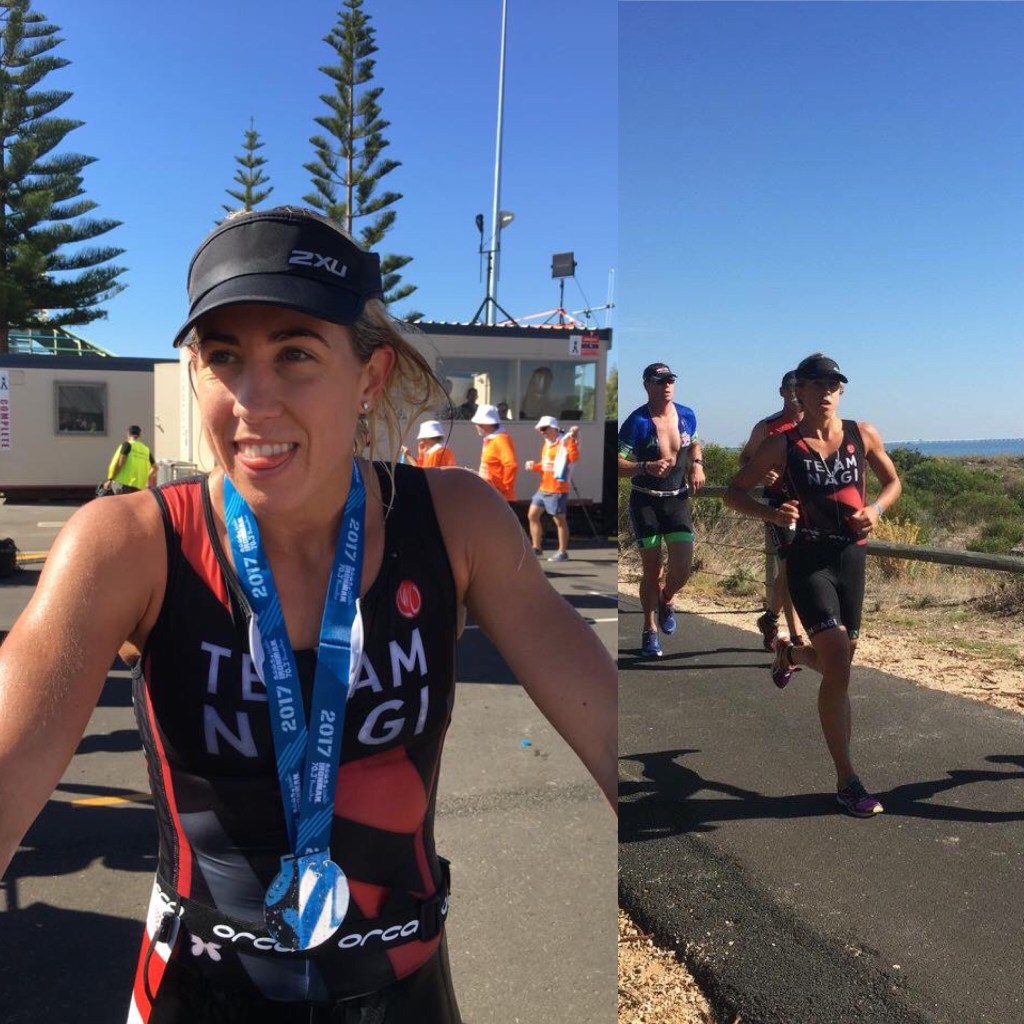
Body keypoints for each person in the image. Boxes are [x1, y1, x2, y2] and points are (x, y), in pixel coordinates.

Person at [0, 207, 615, 1022]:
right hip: (195, 993)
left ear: (369, 376)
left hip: (404, 991)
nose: (254, 402)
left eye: (296, 354)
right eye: (225, 357)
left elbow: (610, 723)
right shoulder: (129, 546)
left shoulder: (455, 522)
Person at [724, 353, 901, 818]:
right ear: (798, 390)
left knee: (839, 662)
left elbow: (893, 482)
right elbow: (734, 493)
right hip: (809, 559)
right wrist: (772, 512)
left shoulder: (863, 434)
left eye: (834, 384)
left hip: (852, 558)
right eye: (817, 383)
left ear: (841, 391)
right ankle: (847, 780)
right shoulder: (783, 443)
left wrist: (876, 510)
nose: (826, 392)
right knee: (838, 662)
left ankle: (790, 654)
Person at [617, 362, 705, 658]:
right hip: (646, 502)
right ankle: (649, 629)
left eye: (670, 381)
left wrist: (697, 464)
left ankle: (667, 597)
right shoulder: (637, 421)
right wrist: (645, 466)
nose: (667, 386)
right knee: (651, 569)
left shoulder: (687, 415)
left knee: (682, 569)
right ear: (647, 385)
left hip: (677, 500)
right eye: (660, 381)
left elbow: (694, 443)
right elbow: (615, 463)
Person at [739, 370, 806, 650]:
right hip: (778, 505)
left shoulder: (816, 425)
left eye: (800, 386)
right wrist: (762, 472)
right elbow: (745, 459)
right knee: (791, 567)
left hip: (810, 505)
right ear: (781, 392)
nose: (795, 392)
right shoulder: (768, 427)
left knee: (794, 569)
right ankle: (796, 639)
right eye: (790, 387)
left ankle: (770, 618)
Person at [525, 415, 579, 562]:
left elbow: (574, 457)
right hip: (543, 488)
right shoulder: (547, 444)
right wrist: (534, 467)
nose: (541, 432)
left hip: (557, 489)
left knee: (559, 520)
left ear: (553, 428)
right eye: (540, 429)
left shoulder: (564, 442)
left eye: (544, 429)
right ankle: (536, 547)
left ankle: (562, 552)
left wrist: (573, 438)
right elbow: (546, 466)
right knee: (532, 515)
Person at [470, 403, 518, 500]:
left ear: (487, 424)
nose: (476, 426)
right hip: (489, 492)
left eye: (479, 424)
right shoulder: (490, 439)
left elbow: (511, 464)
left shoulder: (501, 439)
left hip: (500, 497)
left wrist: (504, 488)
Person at [100, 424, 157, 495]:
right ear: (139, 435)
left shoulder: (127, 445)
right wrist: (146, 477)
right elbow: (155, 468)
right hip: (139, 486)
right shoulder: (146, 450)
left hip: (123, 484)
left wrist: (110, 479)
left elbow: (120, 463)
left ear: (128, 434)